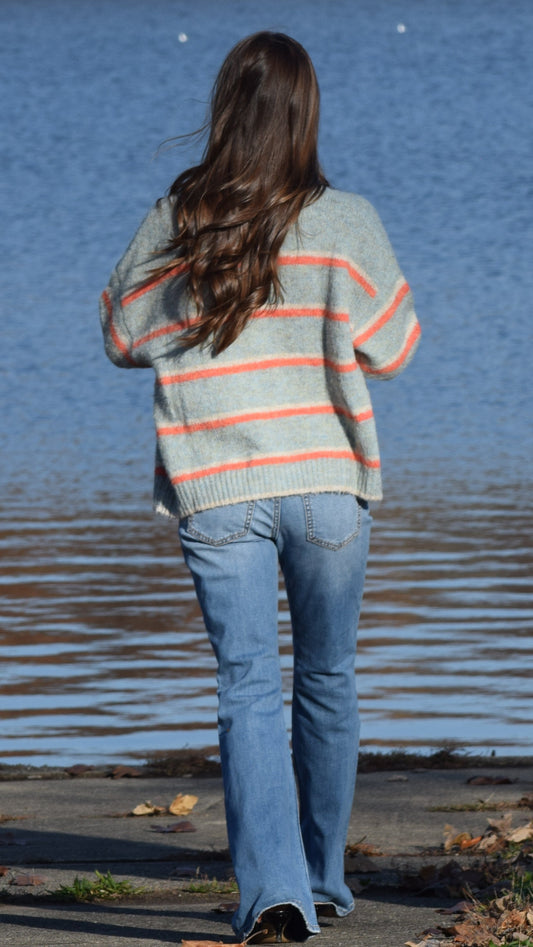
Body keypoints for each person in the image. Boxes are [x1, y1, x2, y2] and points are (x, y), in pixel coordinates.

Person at [100, 31, 420, 945]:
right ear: (305, 115)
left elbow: (122, 335)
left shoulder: (180, 219)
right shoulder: (345, 218)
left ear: (224, 112)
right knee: (327, 677)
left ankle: (272, 892)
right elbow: (396, 349)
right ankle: (319, 881)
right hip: (325, 483)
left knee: (246, 685)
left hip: (219, 483)